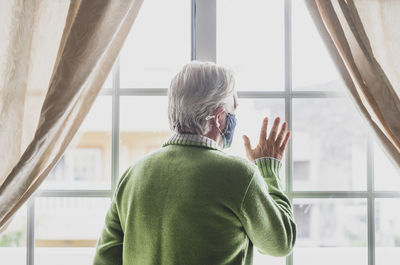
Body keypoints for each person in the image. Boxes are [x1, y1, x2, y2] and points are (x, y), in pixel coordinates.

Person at [93, 61, 296, 265]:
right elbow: (280, 243)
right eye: (233, 107)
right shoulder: (237, 175)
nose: (236, 114)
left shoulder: (133, 174)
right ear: (219, 118)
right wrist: (268, 169)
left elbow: (104, 260)